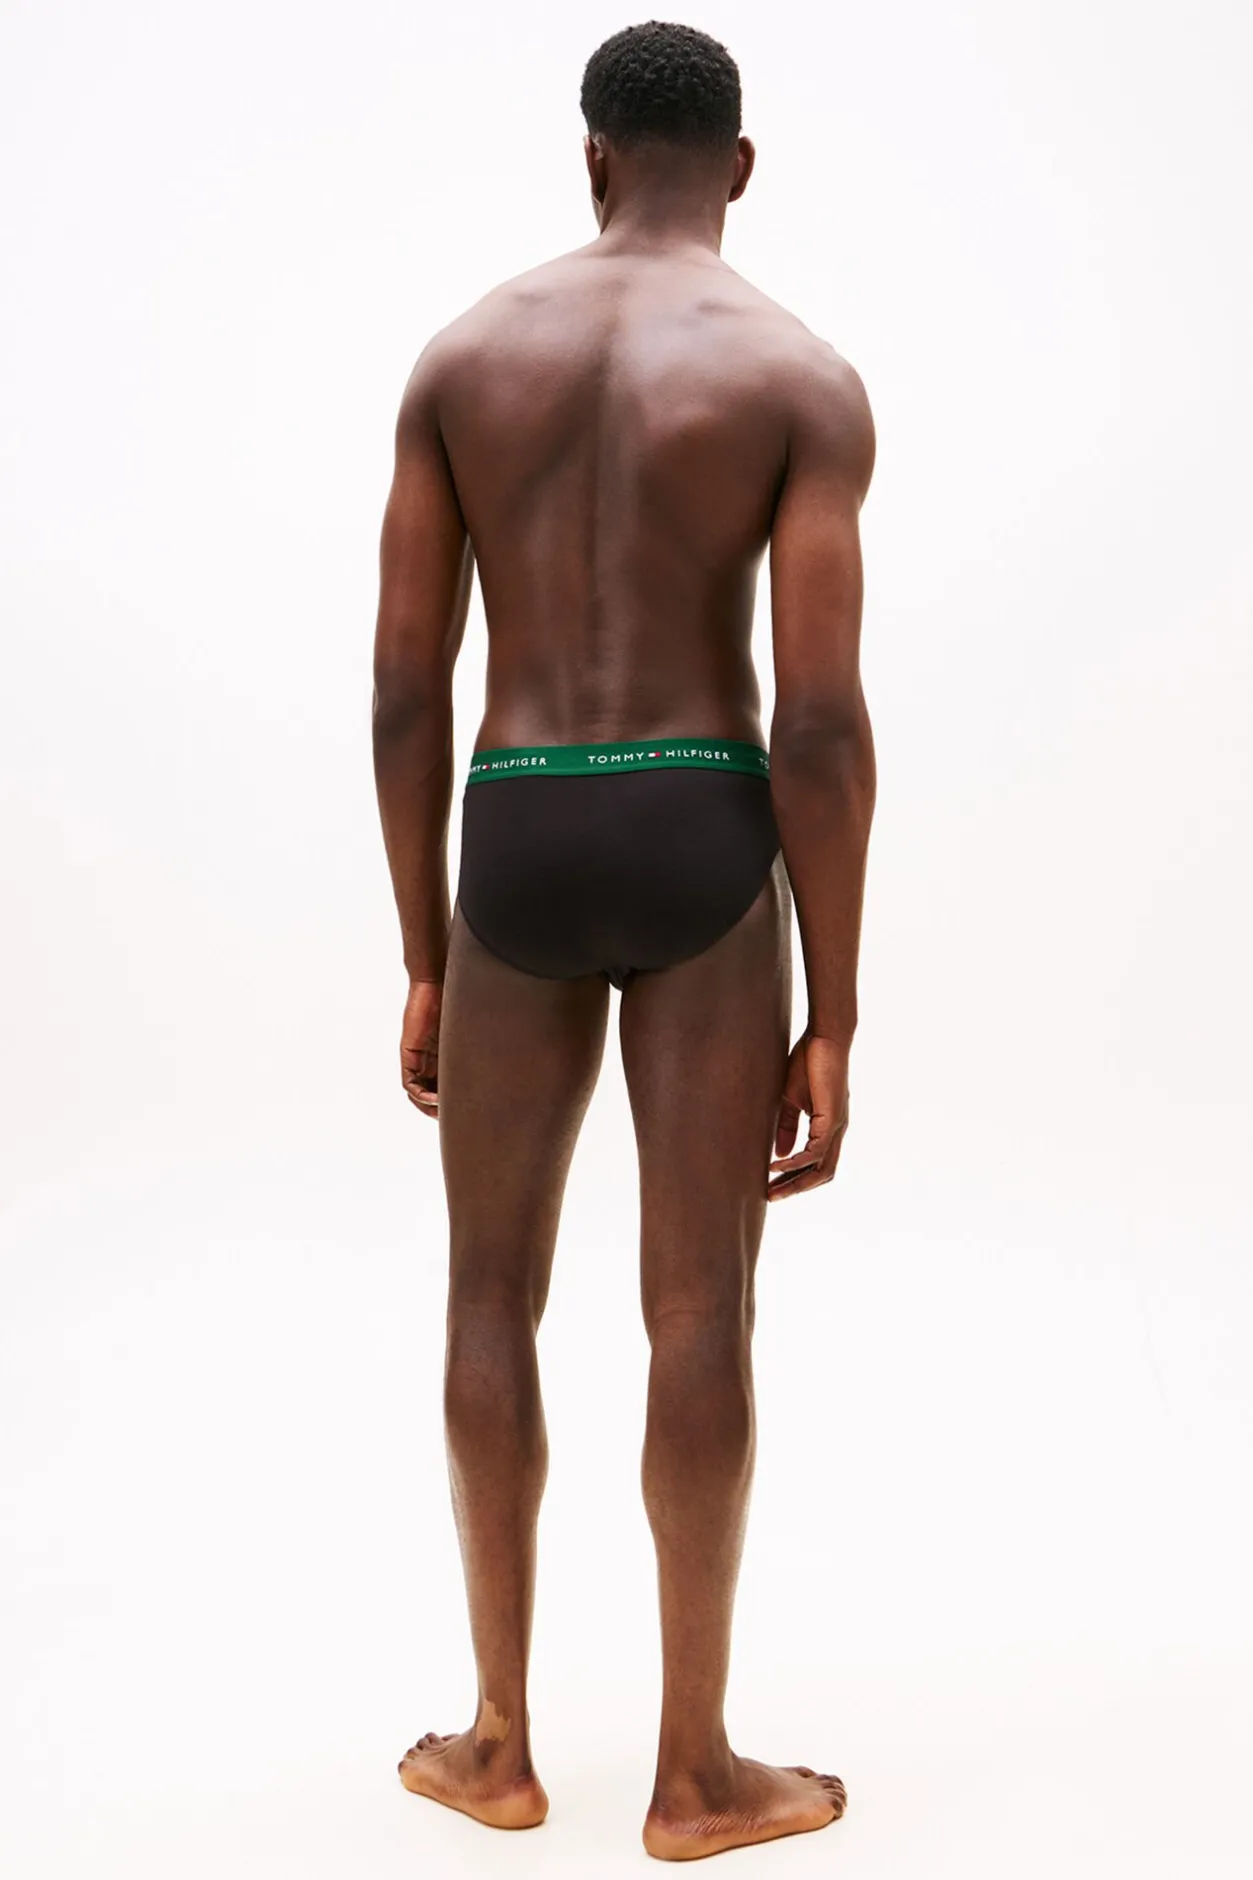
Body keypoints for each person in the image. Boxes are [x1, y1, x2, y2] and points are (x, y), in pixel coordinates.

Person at [372, 18, 876, 1864]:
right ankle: (697, 1775)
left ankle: (497, 1745)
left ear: (589, 158)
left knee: (486, 1297)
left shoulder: (463, 359)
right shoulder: (797, 377)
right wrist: (835, 1007)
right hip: (701, 817)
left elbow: (402, 694)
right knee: (700, 1310)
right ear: (737, 167)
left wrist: (427, 949)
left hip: (515, 820)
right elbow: (818, 725)